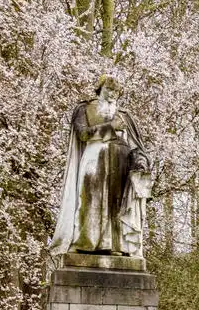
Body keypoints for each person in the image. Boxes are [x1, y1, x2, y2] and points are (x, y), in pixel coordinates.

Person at [50, 76, 153, 260]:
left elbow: (136, 146)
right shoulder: (85, 109)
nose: (112, 94)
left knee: (117, 205)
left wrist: (141, 162)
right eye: (109, 89)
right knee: (90, 200)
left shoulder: (125, 115)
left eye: (116, 91)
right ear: (100, 89)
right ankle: (85, 244)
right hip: (94, 161)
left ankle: (116, 246)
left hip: (121, 164)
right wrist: (110, 127)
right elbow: (82, 134)